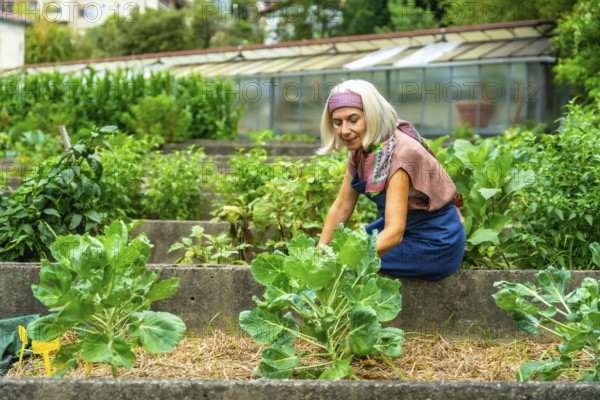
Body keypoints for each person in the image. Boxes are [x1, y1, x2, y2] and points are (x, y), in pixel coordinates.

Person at [317, 79, 465, 281]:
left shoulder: (398, 155)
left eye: (353, 120)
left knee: (346, 263)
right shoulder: (361, 151)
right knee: (338, 250)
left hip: (433, 244)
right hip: (403, 231)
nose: (344, 130)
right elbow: (342, 206)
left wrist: (344, 261)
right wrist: (319, 253)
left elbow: (394, 233)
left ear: (372, 116)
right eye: (338, 122)